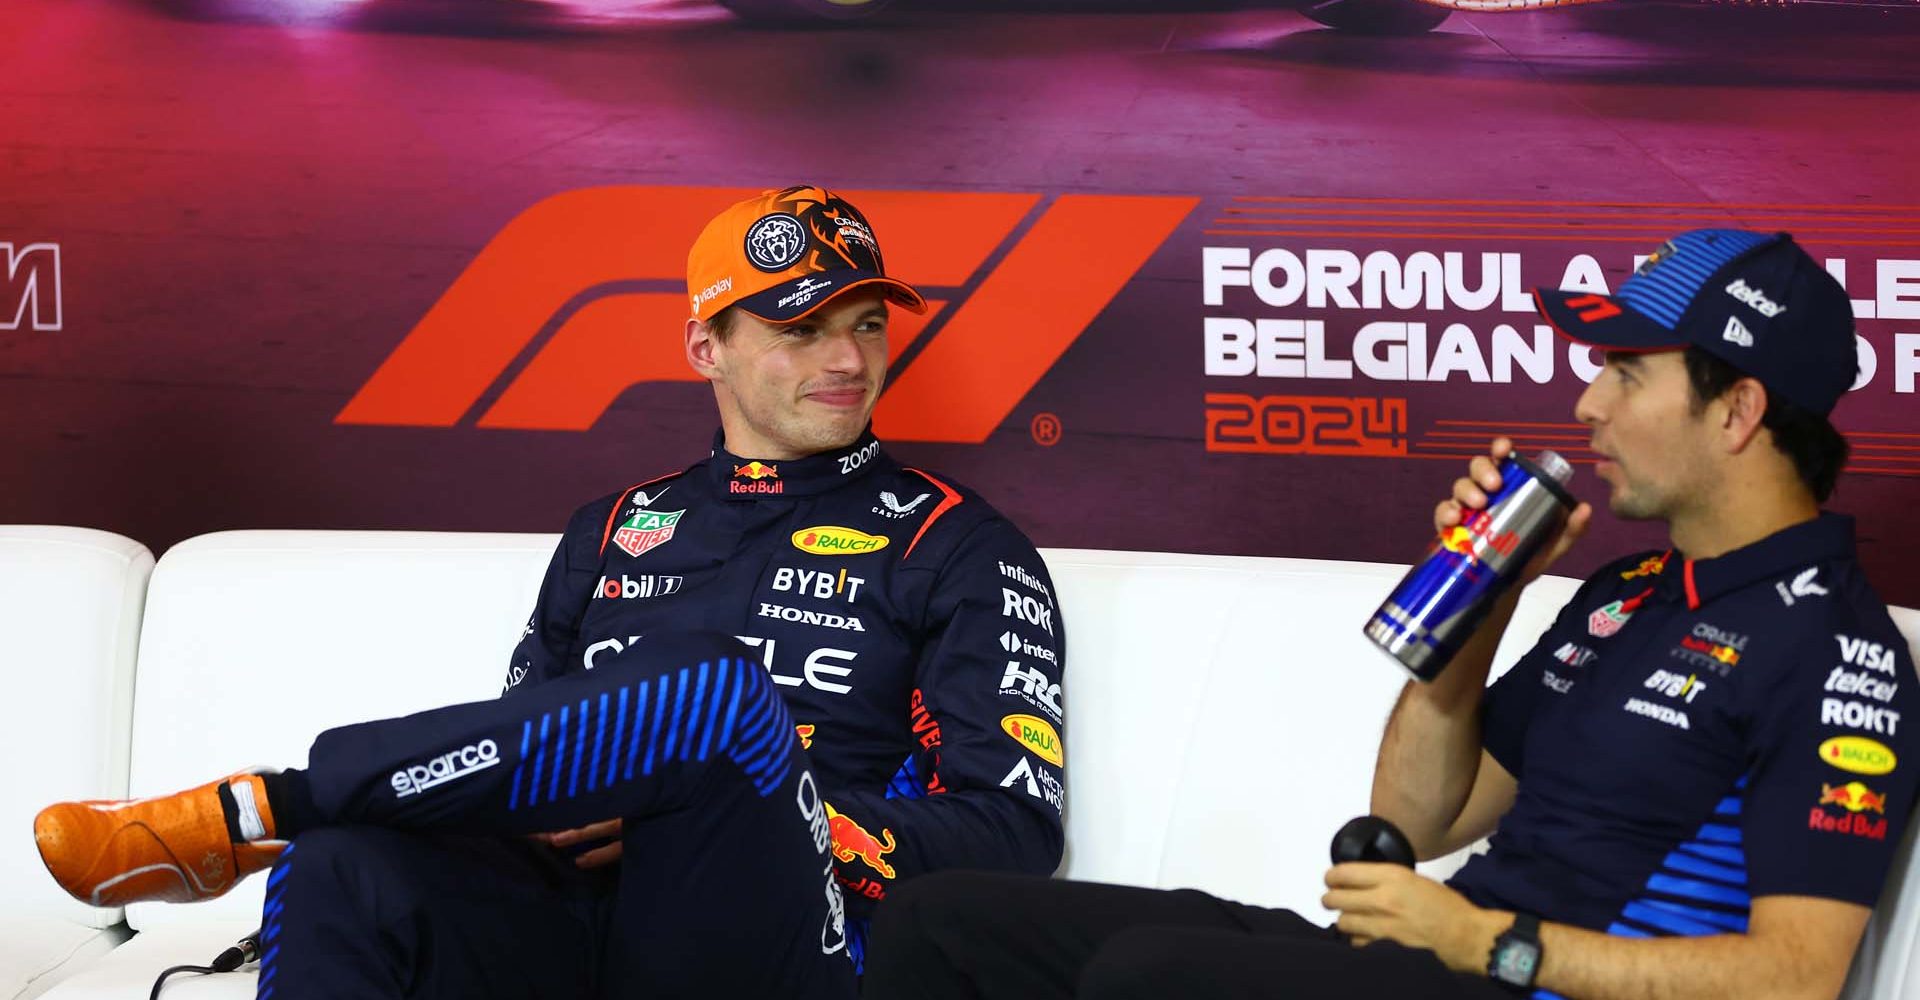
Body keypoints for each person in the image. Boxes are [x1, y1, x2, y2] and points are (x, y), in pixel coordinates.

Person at [32, 186, 1068, 999]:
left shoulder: (959, 543)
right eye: (803, 332)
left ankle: (256, 804)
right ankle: (301, 821)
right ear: (707, 347)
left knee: (710, 696)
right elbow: (521, 744)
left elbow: (1012, 832)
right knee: (341, 863)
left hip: (793, 946)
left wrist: (766, 812)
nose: (849, 359)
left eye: (867, 325)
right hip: (585, 926)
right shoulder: (611, 528)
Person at [863, 229, 1915, 1000]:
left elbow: (1795, 976)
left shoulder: (1834, 651)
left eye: (1626, 372)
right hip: (1435, 961)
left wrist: (1487, 943)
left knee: (1155, 976)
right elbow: (1422, 820)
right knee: (941, 921)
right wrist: (1483, 603)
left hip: (1519, 978)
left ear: (1737, 411)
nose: (1590, 404)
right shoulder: (1626, 595)